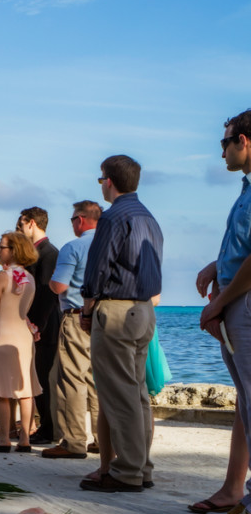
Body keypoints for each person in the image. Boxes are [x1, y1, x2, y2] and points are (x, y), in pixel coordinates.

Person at [79, 154, 162, 493]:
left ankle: (127, 470)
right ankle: (141, 467)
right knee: (138, 393)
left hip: (116, 310)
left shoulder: (113, 218)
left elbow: (98, 268)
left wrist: (86, 309)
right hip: (144, 309)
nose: (101, 184)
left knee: (119, 395)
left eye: (101, 179)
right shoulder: (149, 218)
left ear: (109, 181)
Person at [196, 109, 251, 514]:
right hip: (238, 298)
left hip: (245, 303)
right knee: (247, 403)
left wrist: (220, 304)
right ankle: (243, 500)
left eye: (225, 142)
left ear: (245, 142)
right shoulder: (246, 189)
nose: (222, 151)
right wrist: (219, 265)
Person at [42, 200, 101, 460]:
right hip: (104, 318)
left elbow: (59, 286)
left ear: (80, 220)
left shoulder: (73, 247)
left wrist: (51, 282)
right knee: (96, 379)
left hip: (76, 315)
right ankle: (102, 438)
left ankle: (74, 441)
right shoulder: (109, 245)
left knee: (71, 379)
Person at [0, 232, 41, 453]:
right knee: (26, 390)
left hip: (3, 334)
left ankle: (4, 440)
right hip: (23, 336)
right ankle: (25, 440)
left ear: (13, 250)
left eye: (2, 247)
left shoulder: (1, 276)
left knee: (1, 391)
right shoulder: (29, 277)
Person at [17, 207, 61, 445]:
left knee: (44, 377)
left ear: (31, 223)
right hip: (33, 324)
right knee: (36, 375)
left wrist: (37, 325)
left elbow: (47, 293)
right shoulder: (35, 253)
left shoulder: (49, 253)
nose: (20, 229)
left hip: (45, 325)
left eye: (21, 225)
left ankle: (49, 428)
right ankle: (37, 424)